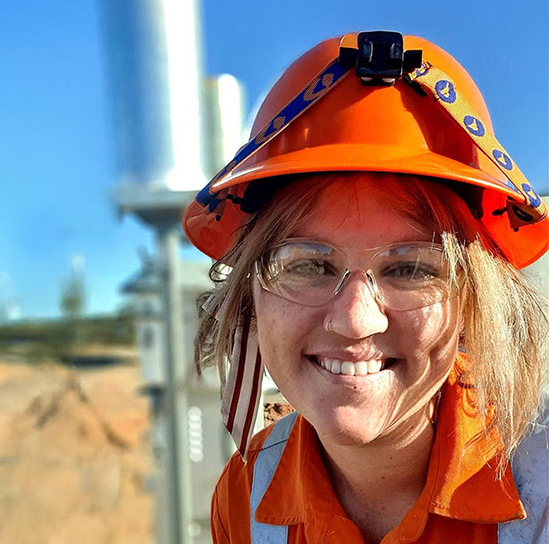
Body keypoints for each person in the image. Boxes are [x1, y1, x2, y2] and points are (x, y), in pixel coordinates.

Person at [182, 32, 549, 543]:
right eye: (309, 266)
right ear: (250, 298)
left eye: (413, 269)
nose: (356, 320)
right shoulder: (247, 496)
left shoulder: (541, 487)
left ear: (472, 301)